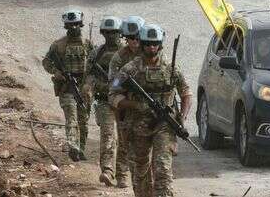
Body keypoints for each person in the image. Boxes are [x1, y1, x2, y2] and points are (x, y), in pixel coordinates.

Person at [110, 24, 192, 197]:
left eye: (155, 44)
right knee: (140, 172)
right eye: (147, 44)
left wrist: (182, 117)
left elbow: (186, 93)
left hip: (164, 124)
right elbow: (113, 96)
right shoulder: (128, 69)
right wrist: (135, 105)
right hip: (138, 126)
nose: (151, 48)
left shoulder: (171, 68)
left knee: (162, 169)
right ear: (142, 44)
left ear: (160, 44)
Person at [42, 10, 93, 161]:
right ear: (66, 26)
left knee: (83, 120)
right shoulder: (58, 45)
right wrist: (56, 73)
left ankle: (80, 148)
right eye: (70, 25)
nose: (73, 28)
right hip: (67, 87)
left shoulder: (88, 44)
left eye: (76, 25)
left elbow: (94, 67)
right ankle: (73, 146)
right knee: (71, 118)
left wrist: (89, 84)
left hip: (83, 88)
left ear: (81, 25)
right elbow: (46, 62)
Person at [82, 16, 123, 187]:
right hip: (105, 101)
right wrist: (93, 87)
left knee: (125, 138)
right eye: (107, 32)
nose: (110, 36)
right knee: (108, 134)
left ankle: (123, 173)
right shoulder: (96, 54)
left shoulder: (127, 54)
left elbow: (129, 77)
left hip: (125, 102)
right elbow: (88, 76)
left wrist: (114, 85)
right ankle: (107, 170)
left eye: (114, 32)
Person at [108, 15, 146, 188]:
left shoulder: (151, 53)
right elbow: (113, 83)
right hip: (125, 103)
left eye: (137, 38)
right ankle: (122, 174)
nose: (134, 42)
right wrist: (122, 86)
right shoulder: (119, 57)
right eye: (130, 38)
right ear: (125, 38)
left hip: (147, 102)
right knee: (124, 139)